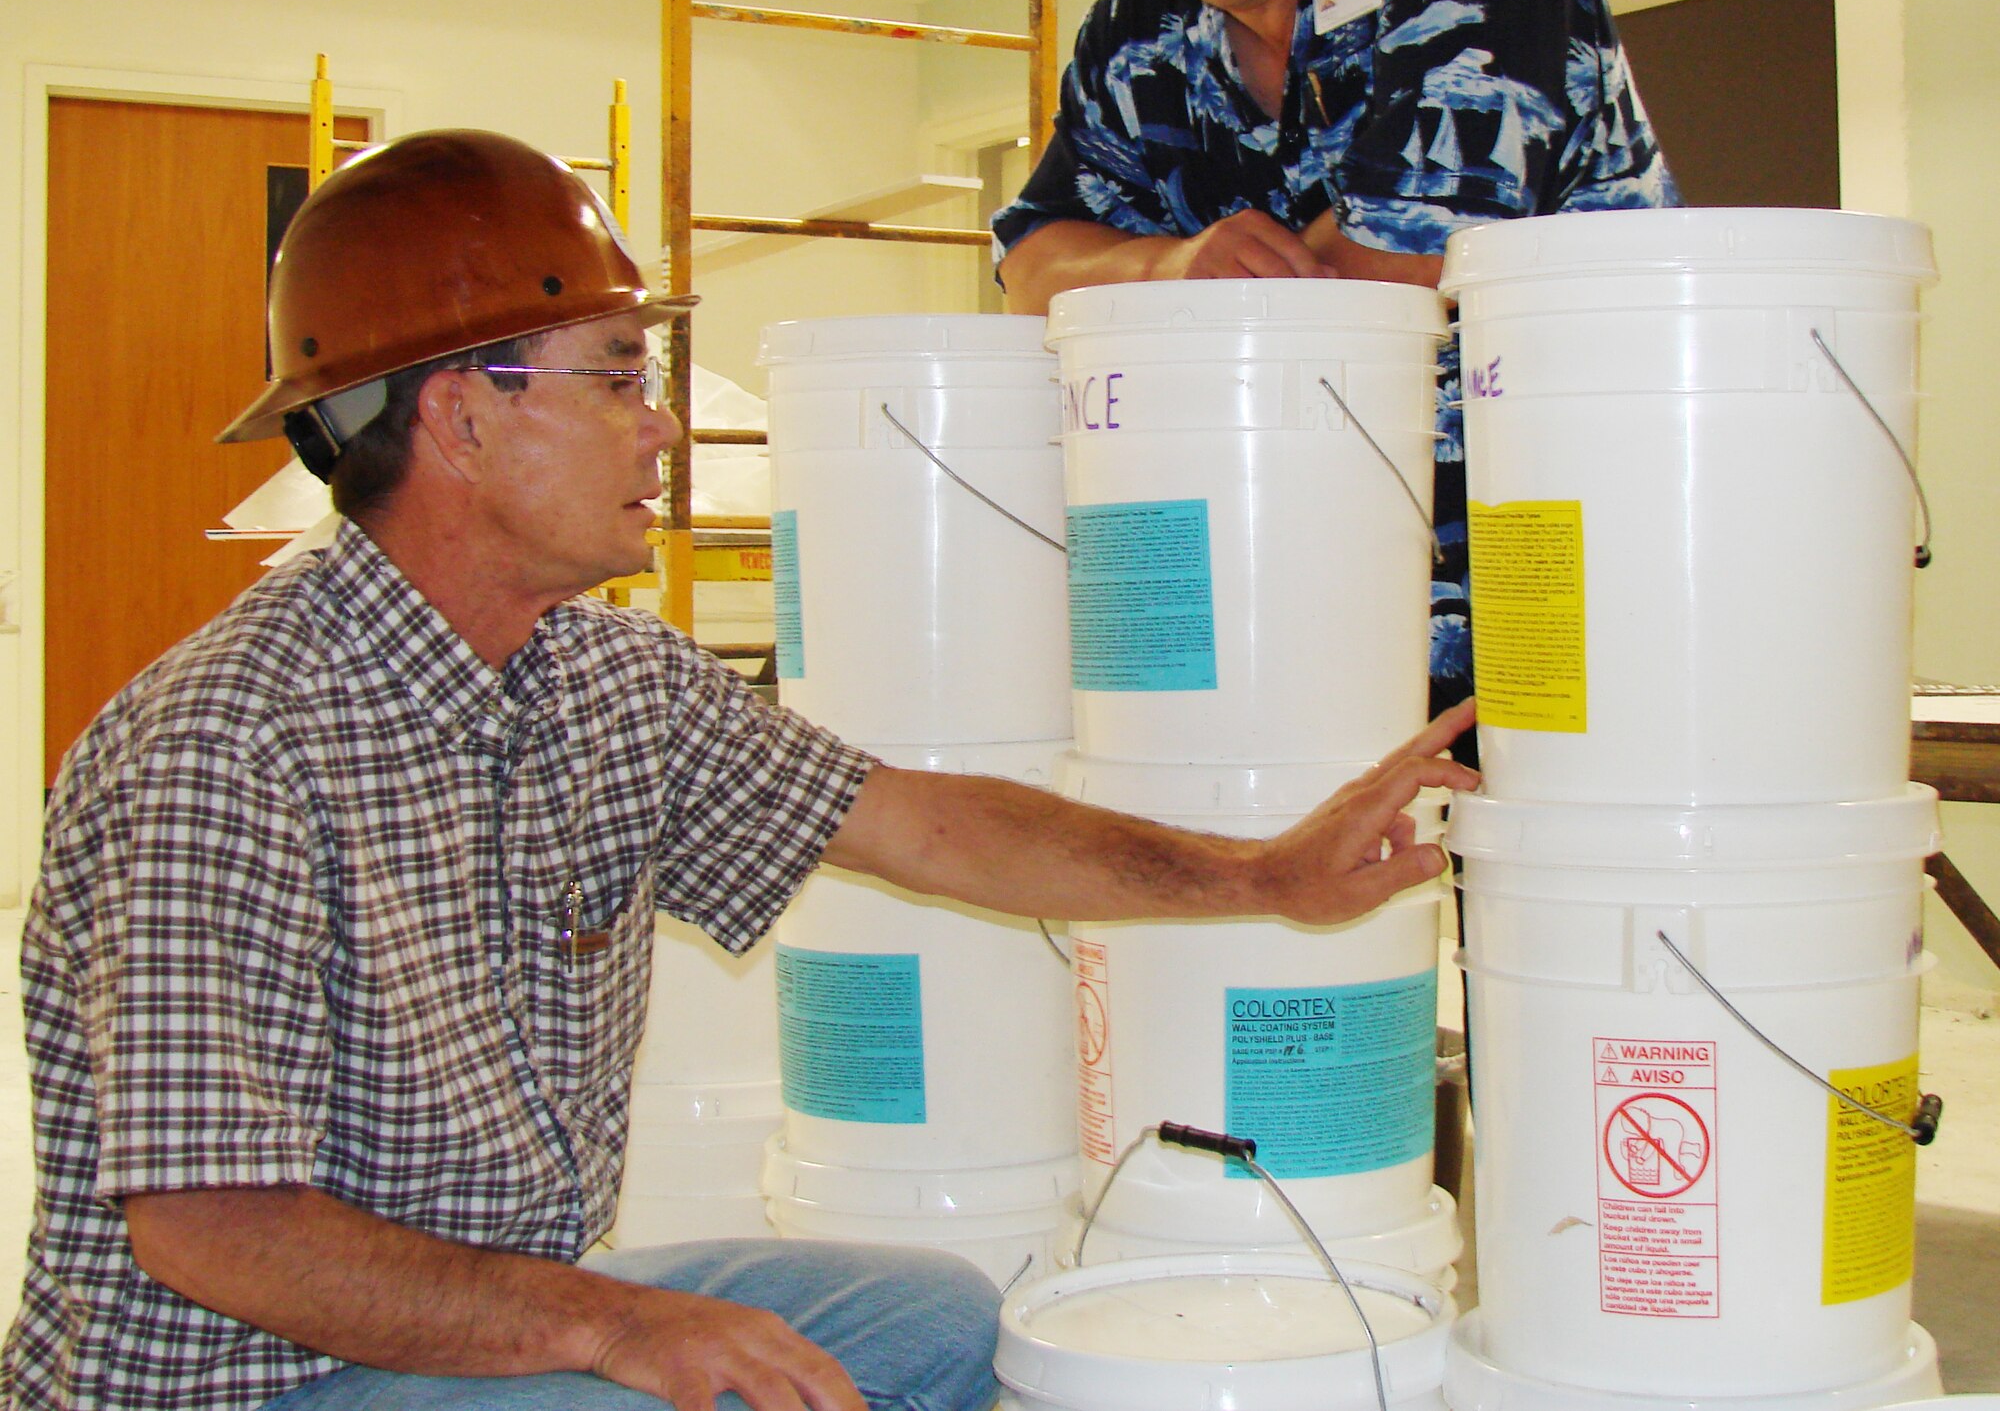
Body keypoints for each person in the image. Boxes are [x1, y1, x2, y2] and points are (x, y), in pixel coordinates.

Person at [3, 129, 1478, 1411]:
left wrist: (1259, 874)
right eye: (616, 378)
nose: (661, 425)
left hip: (490, 1324)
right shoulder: (226, 746)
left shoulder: (608, 687)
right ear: (460, 413)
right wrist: (622, 1322)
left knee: (942, 1321)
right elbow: (211, 1226)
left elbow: (931, 826)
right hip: (256, 1380)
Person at [996, 0, 1681, 721]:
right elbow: (1032, 265)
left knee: (1571, 879)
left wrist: (1159, 306)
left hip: (1571, 549)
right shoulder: (1134, 31)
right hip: (1306, 589)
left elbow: (1394, 263)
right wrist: (1174, 270)